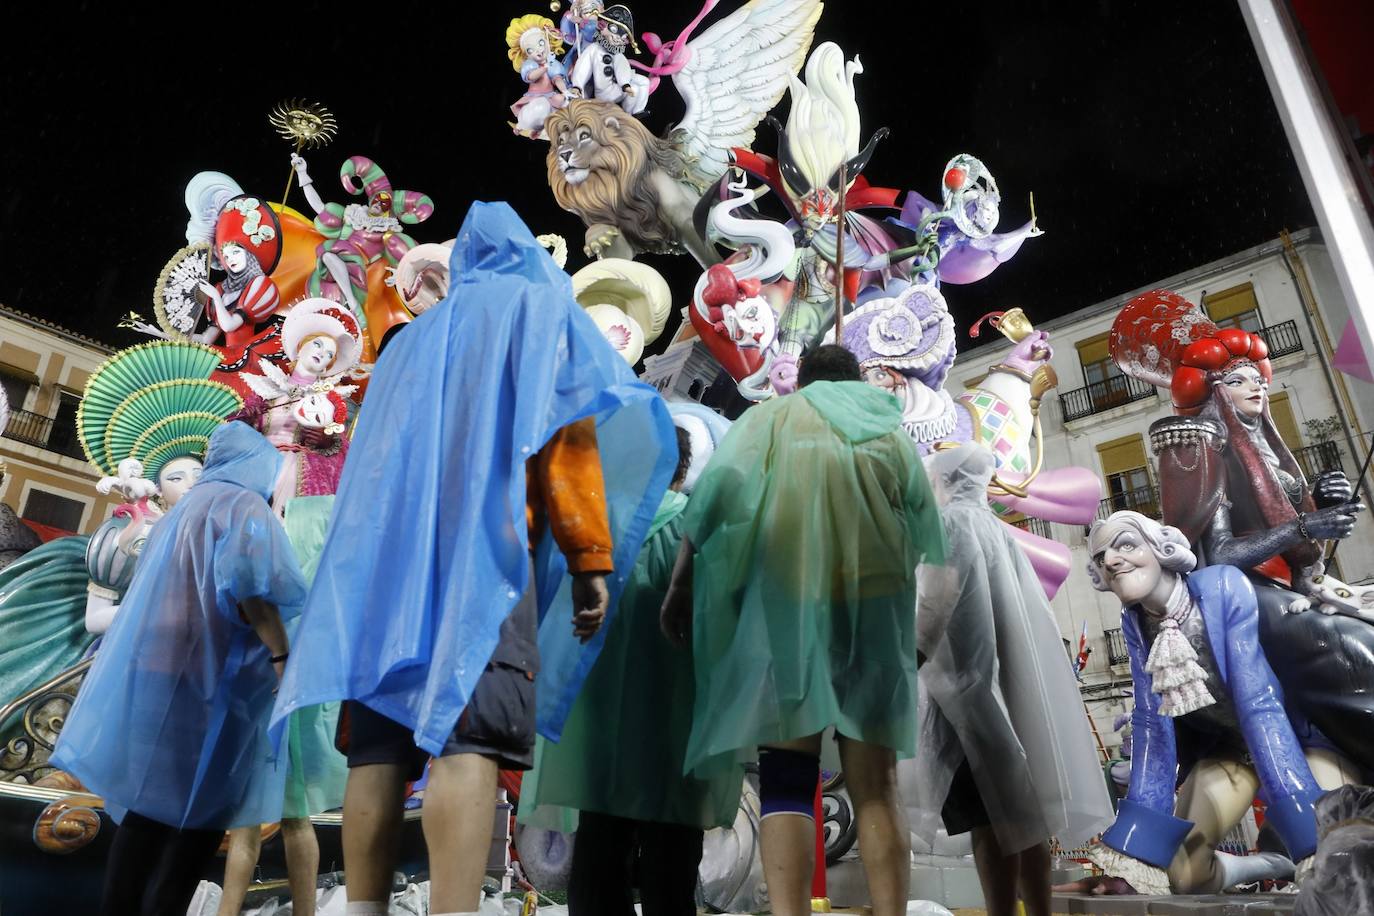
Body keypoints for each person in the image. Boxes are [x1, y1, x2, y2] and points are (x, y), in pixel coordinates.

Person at [270, 201, 677, 916]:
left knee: (378, 748)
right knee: (468, 740)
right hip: (484, 564)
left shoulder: (407, 342)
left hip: (384, 574)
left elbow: (368, 465)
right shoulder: (536, 318)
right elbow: (567, 442)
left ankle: (362, 907)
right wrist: (589, 563)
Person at [660, 343, 945, 916]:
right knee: (876, 785)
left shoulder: (764, 421)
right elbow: (928, 536)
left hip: (784, 620)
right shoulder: (890, 435)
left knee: (787, 780)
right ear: (860, 380)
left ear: (802, 381)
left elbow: (709, 503)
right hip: (871, 620)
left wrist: (681, 587)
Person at [50, 421, 307, 916]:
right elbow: (254, 588)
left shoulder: (180, 510)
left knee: (146, 811)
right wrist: (281, 656)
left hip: (155, 674)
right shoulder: (243, 508)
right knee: (198, 819)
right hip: (212, 686)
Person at [523, 410, 739, 916]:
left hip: (598, 727)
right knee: (672, 856)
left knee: (599, 848)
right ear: (682, 472)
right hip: (676, 725)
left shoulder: (592, 532)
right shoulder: (696, 529)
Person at [899, 442, 1114, 916]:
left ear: (945, 482)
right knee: (1024, 818)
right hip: (1012, 699)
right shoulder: (1000, 533)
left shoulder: (950, 525)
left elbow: (935, 606)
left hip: (969, 700)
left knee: (988, 820)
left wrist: (905, 664)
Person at [1068, 511, 1331, 895]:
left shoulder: (1222, 585)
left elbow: (1258, 702)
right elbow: (1151, 723)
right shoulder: (1135, 619)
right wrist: (1133, 860)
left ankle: (1305, 851)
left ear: (1160, 548)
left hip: (1301, 743)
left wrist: (1312, 840)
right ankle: (1273, 865)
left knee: (1339, 855)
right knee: (1183, 875)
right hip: (1231, 750)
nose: (1109, 561)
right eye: (1099, 557)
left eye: (1125, 544)